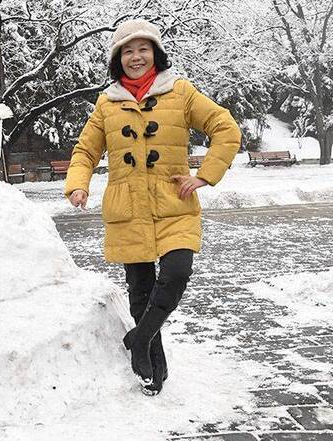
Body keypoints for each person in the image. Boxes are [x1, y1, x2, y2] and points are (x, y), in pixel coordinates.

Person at [63, 19, 241, 395]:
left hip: (175, 203)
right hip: (128, 209)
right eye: (127, 51)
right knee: (140, 291)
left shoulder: (181, 92)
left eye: (143, 49)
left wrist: (205, 175)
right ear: (118, 59)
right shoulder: (107, 105)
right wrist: (78, 184)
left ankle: (138, 337)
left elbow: (225, 128)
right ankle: (152, 369)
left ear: (155, 53)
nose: (136, 57)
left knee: (177, 273)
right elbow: (85, 151)